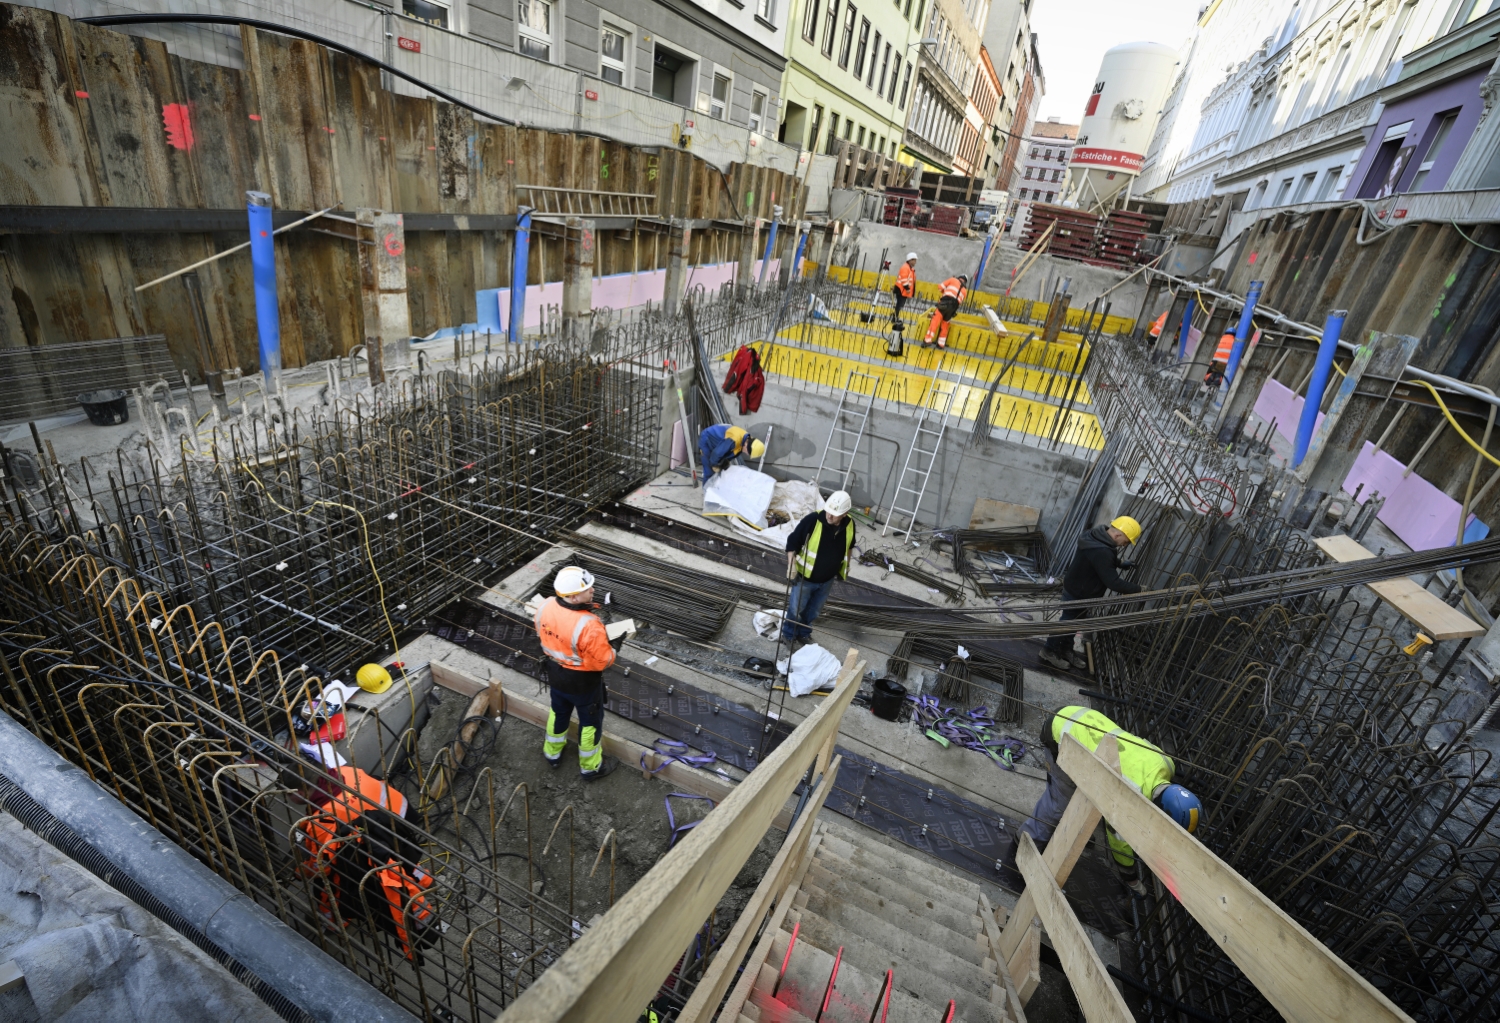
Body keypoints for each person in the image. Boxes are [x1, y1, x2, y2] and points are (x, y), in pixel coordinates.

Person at [1015, 705, 1202, 896]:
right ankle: (1025, 839)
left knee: (1089, 793)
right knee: (1060, 804)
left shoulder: (1166, 764)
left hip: (1086, 720)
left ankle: (1072, 828)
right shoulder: (1129, 792)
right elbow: (1118, 838)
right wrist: (1129, 876)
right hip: (1061, 734)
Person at [536, 566, 623, 780]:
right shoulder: (589, 625)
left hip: (555, 673)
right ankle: (590, 768)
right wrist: (614, 647)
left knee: (558, 712)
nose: (592, 590)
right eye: (588, 588)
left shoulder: (545, 605)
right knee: (590, 724)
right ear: (574, 598)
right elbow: (602, 662)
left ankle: (552, 754)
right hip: (582, 683)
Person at [1039, 516, 1142, 672]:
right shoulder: (1103, 551)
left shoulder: (1095, 535)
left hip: (1077, 586)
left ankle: (1066, 649)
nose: (1124, 545)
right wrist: (1139, 589)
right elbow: (1113, 582)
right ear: (1118, 535)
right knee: (1066, 623)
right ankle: (1048, 651)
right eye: (1126, 541)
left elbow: (1099, 558)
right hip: (1079, 592)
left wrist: (1119, 563)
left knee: (1073, 624)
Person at [782, 491, 855, 646]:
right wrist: (791, 565)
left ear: (845, 514)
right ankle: (788, 635)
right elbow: (793, 542)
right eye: (828, 511)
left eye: (835, 514)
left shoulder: (849, 525)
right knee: (796, 609)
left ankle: (804, 633)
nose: (829, 516)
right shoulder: (813, 520)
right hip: (805, 578)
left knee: (814, 610)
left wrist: (846, 565)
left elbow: (850, 545)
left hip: (827, 579)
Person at [697, 423, 766, 484]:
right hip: (707, 439)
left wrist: (724, 462)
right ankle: (707, 492)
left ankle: (715, 488)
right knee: (709, 470)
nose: (747, 454)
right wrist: (714, 464)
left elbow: (730, 453)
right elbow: (717, 453)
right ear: (746, 445)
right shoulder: (734, 440)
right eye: (748, 453)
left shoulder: (746, 440)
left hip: (719, 442)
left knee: (721, 467)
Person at [923, 273, 968, 349]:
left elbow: (940, 287)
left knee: (935, 321)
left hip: (944, 305)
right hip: (952, 309)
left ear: (959, 277)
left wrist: (945, 291)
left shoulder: (952, 279)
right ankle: (941, 344)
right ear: (965, 281)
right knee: (945, 325)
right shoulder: (965, 291)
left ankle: (927, 339)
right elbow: (960, 301)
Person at [892, 252, 918, 327]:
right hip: (901, 290)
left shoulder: (910, 268)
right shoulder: (905, 267)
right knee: (899, 305)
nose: (915, 262)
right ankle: (895, 317)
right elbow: (904, 279)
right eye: (914, 260)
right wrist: (907, 288)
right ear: (910, 260)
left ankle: (895, 316)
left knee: (900, 305)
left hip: (903, 290)